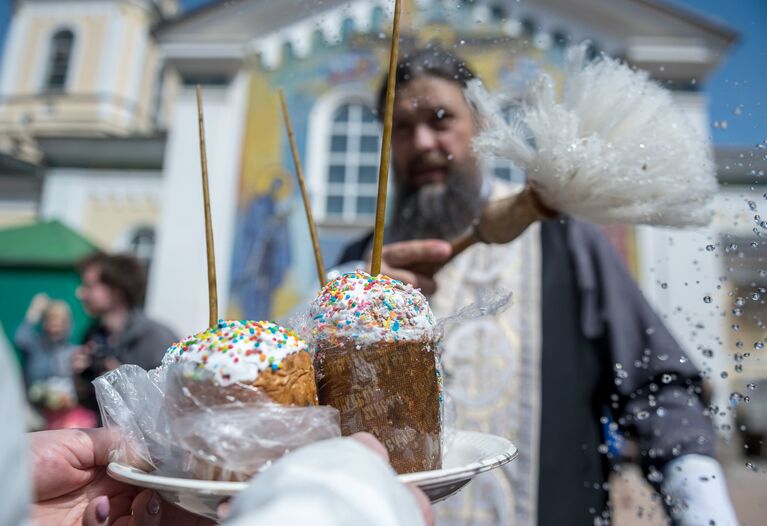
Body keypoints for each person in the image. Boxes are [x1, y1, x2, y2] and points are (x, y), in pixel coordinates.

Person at [336, 47, 739, 525]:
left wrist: (701, 502)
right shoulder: (357, 268)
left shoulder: (562, 240)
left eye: (440, 119)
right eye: (402, 128)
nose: (422, 141)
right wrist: (345, 312)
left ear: (480, 123)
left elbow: (656, 385)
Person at [74, 253, 178, 417]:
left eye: (89, 286)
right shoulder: (93, 335)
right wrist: (79, 380)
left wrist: (124, 382)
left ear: (116, 291)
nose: (80, 293)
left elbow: (172, 404)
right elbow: (94, 409)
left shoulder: (155, 338)